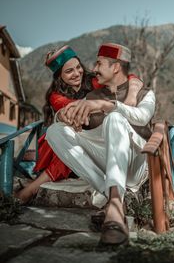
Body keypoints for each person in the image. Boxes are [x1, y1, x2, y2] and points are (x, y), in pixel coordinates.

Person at [46, 42, 156, 245]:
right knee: (54, 131)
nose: (93, 69)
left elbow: (141, 117)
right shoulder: (91, 96)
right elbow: (77, 122)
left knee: (114, 119)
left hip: (136, 166)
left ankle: (113, 203)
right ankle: (115, 202)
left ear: (115, 67)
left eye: (99, 63)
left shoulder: (145, 93)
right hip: (109, 164)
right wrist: (63, 116)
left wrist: (107, 106)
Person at [15, 45, 143, 203]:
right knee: (66, 141)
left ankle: (29, 190)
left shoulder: (95, 81)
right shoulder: (55, 96)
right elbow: (73, 113)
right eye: (69, 71)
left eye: (78, 67)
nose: (77, 73)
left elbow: (130, 78)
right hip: (72, 139)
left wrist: (131, 96)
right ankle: (31, 190)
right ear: (59, 76)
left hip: (97, 138)